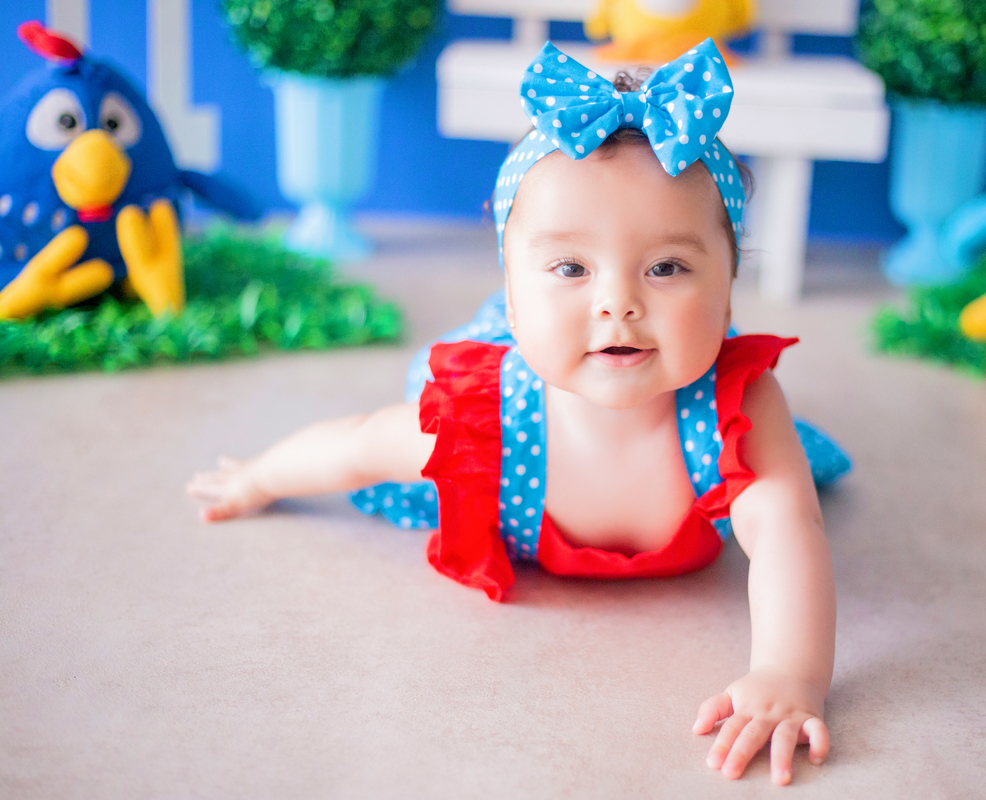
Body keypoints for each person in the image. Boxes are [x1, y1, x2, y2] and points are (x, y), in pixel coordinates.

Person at [188, 40, 837, 785]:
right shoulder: (483, 419)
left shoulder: (735, 408)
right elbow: (359, 447)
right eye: (570, 268)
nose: (617, 301)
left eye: (667, 268)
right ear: (513, 279)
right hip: (518, 372)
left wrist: (790, 674)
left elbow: (792, 531)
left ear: (727, 290)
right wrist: (261, 479)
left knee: (798, 479)